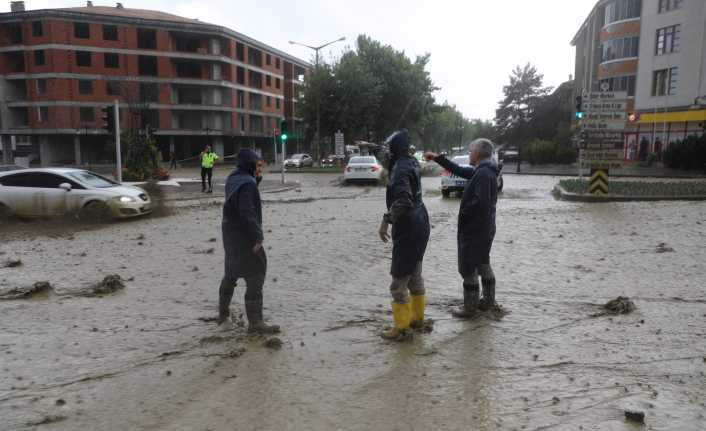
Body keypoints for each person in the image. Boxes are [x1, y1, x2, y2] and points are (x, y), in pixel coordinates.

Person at [425, 138, 499, 318]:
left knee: (468, 268)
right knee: (482, 263)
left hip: (475, 230)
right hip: (485, 228)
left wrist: (464, 214)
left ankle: (470, 309)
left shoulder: (482, 174)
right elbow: (459, 171)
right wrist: (438, 158)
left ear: (479, 153)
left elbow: (479, 203)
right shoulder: (485, 170)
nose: (469, 154)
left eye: (471, 151)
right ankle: (488, 303)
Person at [217, 149, 279, 334]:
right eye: (257, 164)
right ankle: (256, 323)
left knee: (231, 272)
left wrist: (255, 180)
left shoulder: (233, 178)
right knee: (256, 273)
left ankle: (222, 315)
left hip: (230, 234)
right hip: (244, 235)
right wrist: (257, 236)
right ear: (250, 164)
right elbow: (247, 212)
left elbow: (240, 199)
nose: (259, 167)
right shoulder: (248, 184)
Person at [378, 129, 431, 340]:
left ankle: (401, 329)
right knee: (415, 274)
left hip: (408, 227)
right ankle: (417, 319)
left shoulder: (399, 169)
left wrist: (385, 221)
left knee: (399, 280)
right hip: (421, 223)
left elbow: (403, 200)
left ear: (393, 150)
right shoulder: (412, 162)